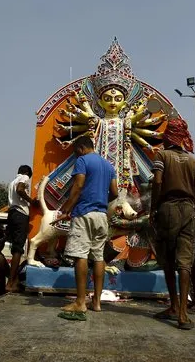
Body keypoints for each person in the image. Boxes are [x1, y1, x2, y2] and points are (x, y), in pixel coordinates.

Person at [150, 118, 195, 330]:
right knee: (185, 263)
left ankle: (173, 306)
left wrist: (154, 208)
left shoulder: (162, 155)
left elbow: (157, 181)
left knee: (168, 261)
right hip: (189, 210)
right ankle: (183, 313)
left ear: (168, 135)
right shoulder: (193, 161)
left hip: (168, 208)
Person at [57, 136, 118, 320]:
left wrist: (66, 208)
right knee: (99, 257)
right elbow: (114, 192)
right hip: (101, 216)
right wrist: (99, 202)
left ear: (81, 148)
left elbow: (78, 186)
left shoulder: (83, 160)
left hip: (84, 213)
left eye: (76, 151)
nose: (76, 155)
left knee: (80, 255)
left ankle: (80, 302)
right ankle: (97, 303)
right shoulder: (108, 165)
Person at [5, 165, 39, 292]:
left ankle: (12, 281)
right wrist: (31, 201)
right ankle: (11, 283)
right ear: (26, 173)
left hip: (12, 213)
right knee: (18, 249)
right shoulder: (24, 178)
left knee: (15, 249)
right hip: (20, 214)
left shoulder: (11, 182)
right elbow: (20, 189)